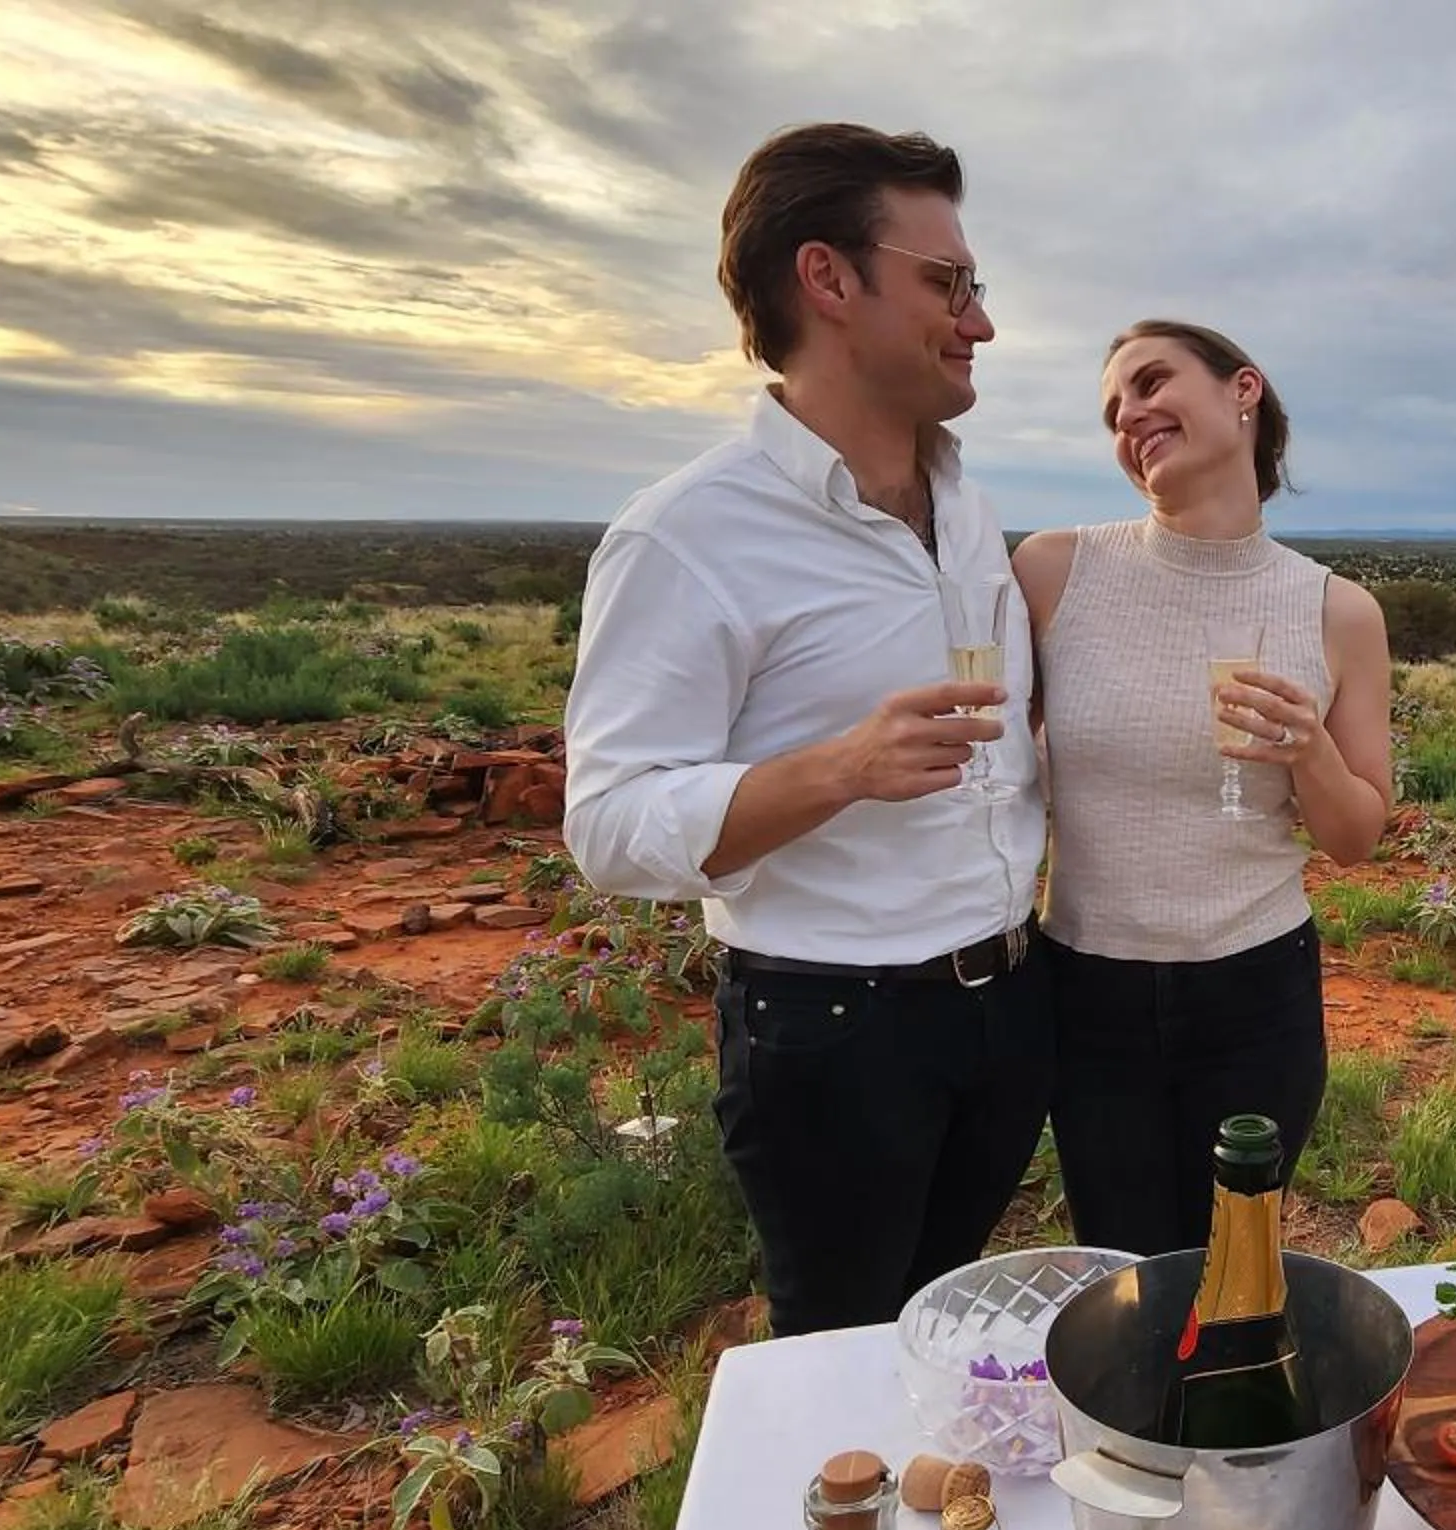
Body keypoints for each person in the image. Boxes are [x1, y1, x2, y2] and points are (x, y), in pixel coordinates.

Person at [561, 124, 1048, 1337]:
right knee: (842, 1358)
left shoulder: (970, 508)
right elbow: (608, 823)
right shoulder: (686, 535)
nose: (978, 321)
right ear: (828, 279)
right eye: (948, 283)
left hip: (1008, 1011)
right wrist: (838, 771)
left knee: (944, 1328)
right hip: (835, 1035)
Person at [1011, 322, 1395, 1257]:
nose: (1131, 416)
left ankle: (1234, 1402)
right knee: (1127, 1265)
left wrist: (1308, 751)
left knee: (1235, 1268)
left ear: (1243, 391)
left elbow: (1357, 836)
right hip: (1089, 987)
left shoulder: (1337, 611)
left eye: (1151, 383)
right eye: (1113, 410)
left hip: (1254, 995)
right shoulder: (1054, 573)